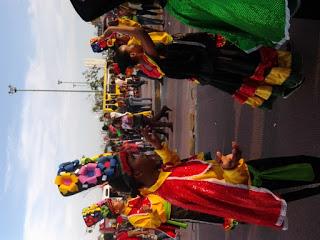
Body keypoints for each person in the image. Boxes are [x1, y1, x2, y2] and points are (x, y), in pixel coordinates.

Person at [109, 26, 303, 109]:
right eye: (128, 46)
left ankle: (283, 83)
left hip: (207, 65)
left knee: (247, 71)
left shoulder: (146, 67)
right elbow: (138, 31)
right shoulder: (151, 57)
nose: (131, 41)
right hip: (210, 59)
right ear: (133, 54)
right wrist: (111, 30)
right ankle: (289, 80)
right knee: (250, 64)